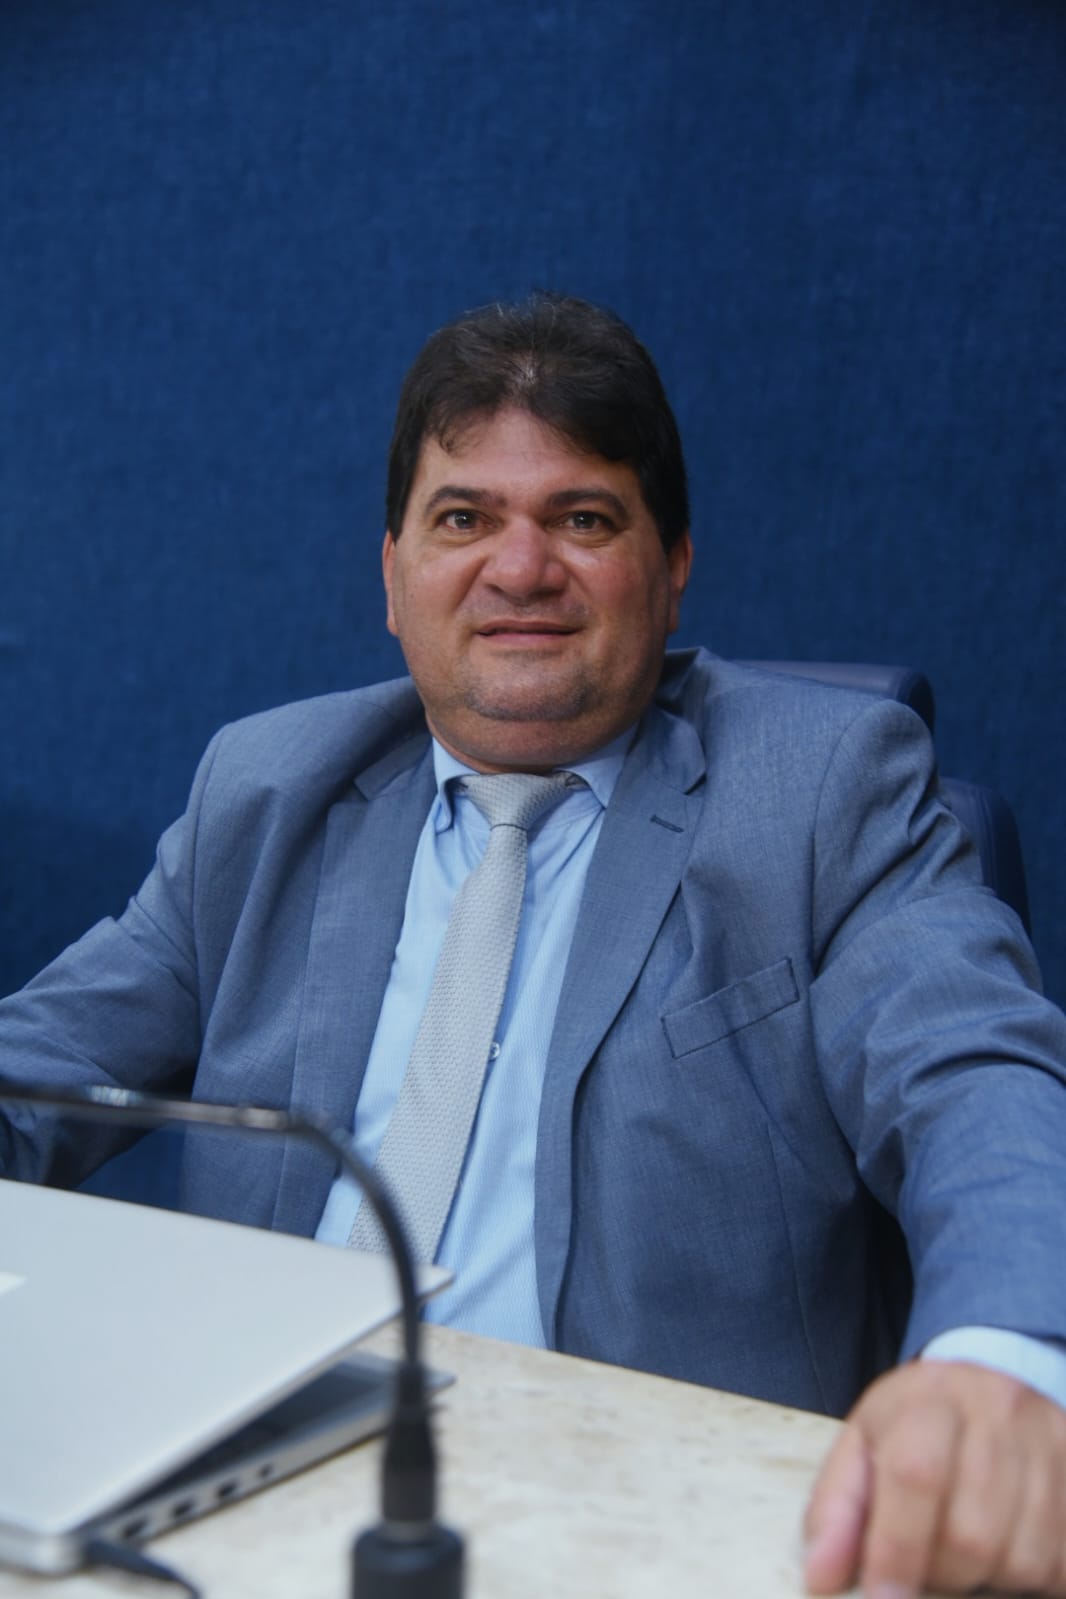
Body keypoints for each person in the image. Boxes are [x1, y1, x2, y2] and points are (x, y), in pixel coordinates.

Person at [3, 293, 1066, 1597]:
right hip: (242, 1487)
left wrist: (1004, 1357)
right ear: (391, 573)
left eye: (583, 519)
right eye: (463, 519)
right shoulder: (269, 792)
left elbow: (973, 1076)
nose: (520, 569)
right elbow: (35, 1075)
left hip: (660, 1520)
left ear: (673, 565)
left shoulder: (820, 791)